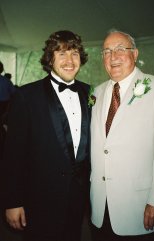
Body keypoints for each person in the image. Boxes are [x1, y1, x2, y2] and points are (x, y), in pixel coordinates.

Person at [0, 30, 91, 241]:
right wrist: (12, 201)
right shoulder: (26, 96)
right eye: (61, 54)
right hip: (39, 198)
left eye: (75, 54)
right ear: (50, 59)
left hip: (77, 198)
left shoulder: (89, 93)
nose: (69, 60)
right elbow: (13, 154)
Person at [90, 29, 154, 241]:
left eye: (121, 49)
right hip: (100, 207)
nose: (113, 57)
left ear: (135, 54)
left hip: (141, 208)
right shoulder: (96, 93)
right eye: (107, 51)